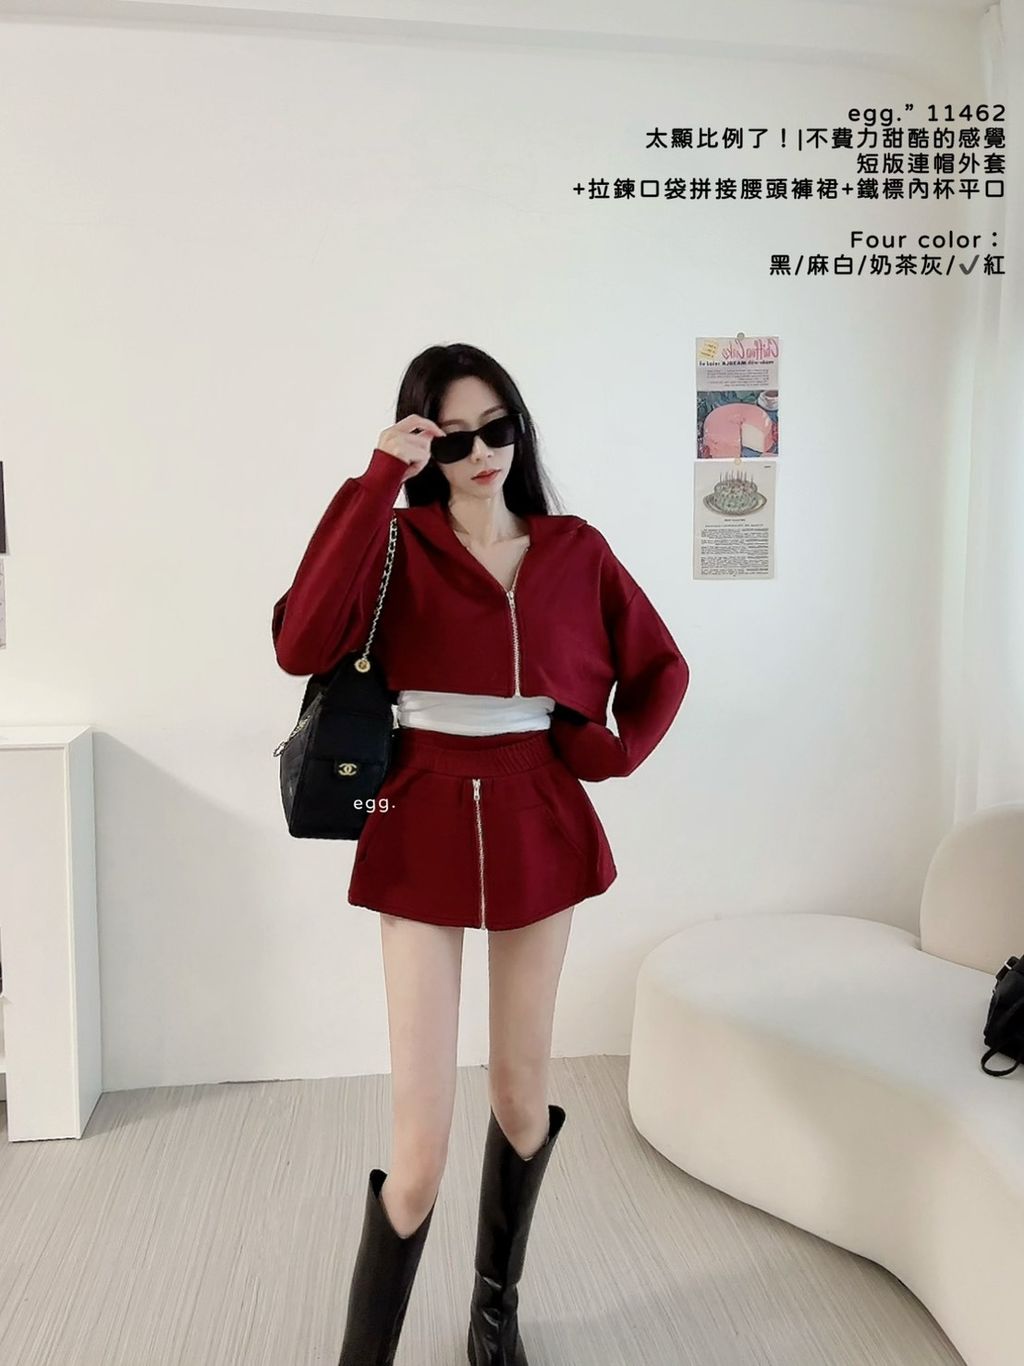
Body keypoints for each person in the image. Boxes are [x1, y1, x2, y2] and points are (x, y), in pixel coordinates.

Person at [272, 343, 690, 1365]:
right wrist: (379, 475)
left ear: (519, 429)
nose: (479, 453)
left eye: (496, 428)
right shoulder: (394, 540)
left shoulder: (574, 548)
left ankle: (492, 1320)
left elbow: (661, 667)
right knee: (417, 1150)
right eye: (451, 437)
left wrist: (609, 749)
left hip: (536, 811)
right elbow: (299, 643)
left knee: (517, 1094)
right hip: (417, 812)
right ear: (425, 444)